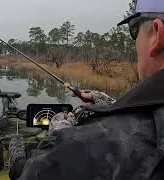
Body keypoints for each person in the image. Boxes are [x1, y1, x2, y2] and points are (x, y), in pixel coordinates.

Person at [9, 0, 164, 179]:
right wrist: (108, 104)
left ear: (157, 35)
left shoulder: (87, 146)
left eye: (134, 30)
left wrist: (58, 139)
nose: (135, 40)